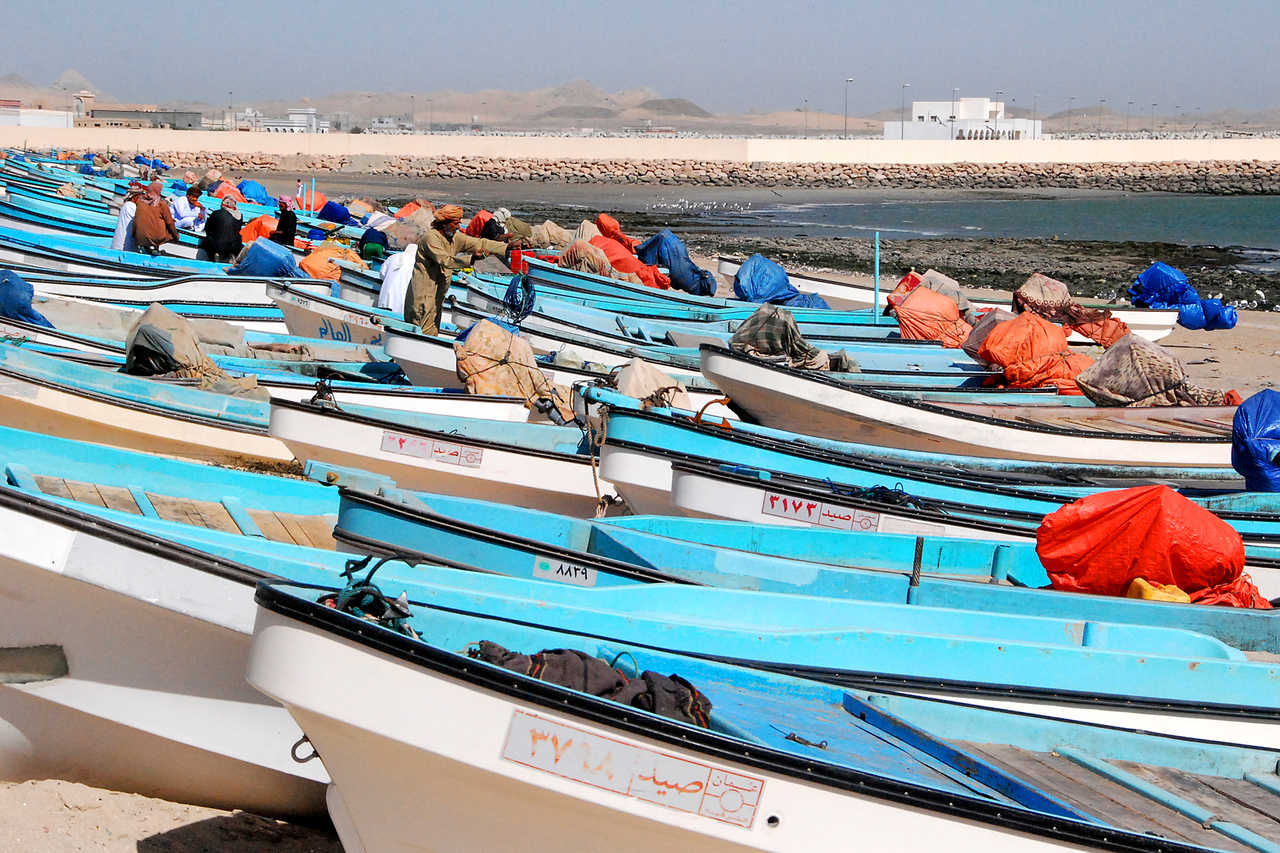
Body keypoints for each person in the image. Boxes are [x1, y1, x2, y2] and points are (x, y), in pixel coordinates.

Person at [405, 204, 521, 334]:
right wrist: (471, 259)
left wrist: (506, 247)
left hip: (438, 294)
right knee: (420, 330)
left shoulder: (455, 237)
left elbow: (480, 243)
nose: (459, 227)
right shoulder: (430, 238)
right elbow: (445, 260)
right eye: (456, 223)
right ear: (445, 223)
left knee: (433, 329)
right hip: (423, 293)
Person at [131, 180, 178, 254]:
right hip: (155, 237)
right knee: (169, 230)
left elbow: (136, 220)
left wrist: (133, 234)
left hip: (138, 238)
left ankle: (149, 247)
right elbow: (169, 222)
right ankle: (154, 246)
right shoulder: (161, 204)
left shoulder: (140, 201)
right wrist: (176, 236)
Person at [199, 197, 244, 262]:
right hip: (233, 247)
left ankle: (212, 258)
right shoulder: (240, 216)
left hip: (217, 246)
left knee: (207, 240)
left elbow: (207, 229)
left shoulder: (216, 213)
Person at [110, 181, 144, 251]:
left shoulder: (127, 205)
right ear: (135, 197)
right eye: (140, 197)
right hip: (123, 247)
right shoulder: (131, 206)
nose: (141, 200)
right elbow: (140, 220)